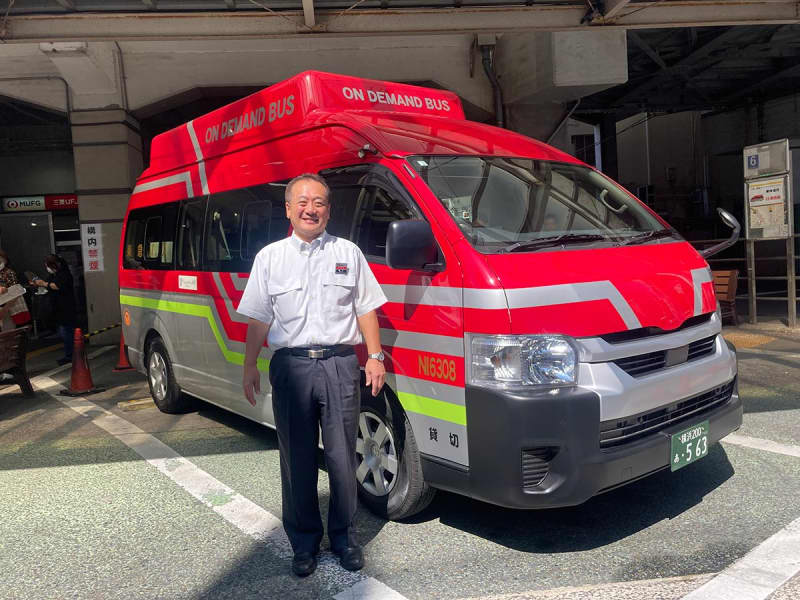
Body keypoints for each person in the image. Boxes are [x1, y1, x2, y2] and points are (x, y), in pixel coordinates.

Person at [238, 173, 387, 578]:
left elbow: (366, 307)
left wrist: (374, 356)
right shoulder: (270, 257)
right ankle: (304, 543)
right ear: (288, 209)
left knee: (342, 459)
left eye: (319, 202)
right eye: (302, 202)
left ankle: (344, 538)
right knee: (297, 460)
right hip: (291, 367)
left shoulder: (348, 253)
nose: (311, 209)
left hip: (340, 364)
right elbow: (259, 318)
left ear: (328, 210)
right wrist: (250, 364)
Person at [31, 254, 76, 365]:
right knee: (64, 332)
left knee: (67, 332)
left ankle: (71, 355)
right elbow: (48, 284)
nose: (48, 269)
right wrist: (37, 283)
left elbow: (57, 286)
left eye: (49, 266)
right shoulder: (54, 274)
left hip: (66, 308)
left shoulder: (64, 274)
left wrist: (44, 283)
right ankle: (70, 354)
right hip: (58, 308)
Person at [0, 249, 31, 330]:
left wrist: (5, 309)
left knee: (7, 332)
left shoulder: (9, 273)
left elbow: (15, 292)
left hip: (7, 307)